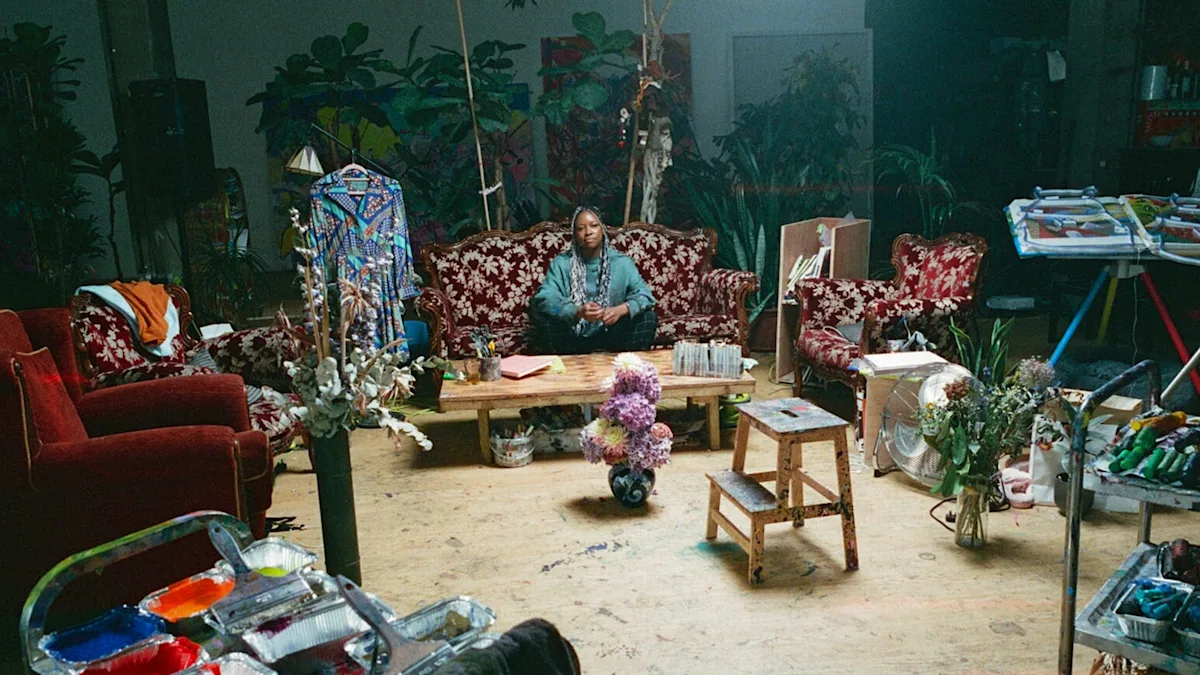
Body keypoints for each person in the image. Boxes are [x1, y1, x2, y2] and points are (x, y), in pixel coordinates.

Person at [532, 206, 658, 354]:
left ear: (602, 229)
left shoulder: (621, 262)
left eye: (593, 226)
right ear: (574, 234)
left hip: (612, 333)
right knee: (544, 320)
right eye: (581, 228)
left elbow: (645, 295)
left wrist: (620, 310)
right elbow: (545, 298)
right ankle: (567, 365)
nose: (588, 232)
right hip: (573, 336)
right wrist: (577, 311)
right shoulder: (561, 263)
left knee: (648, 317)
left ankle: (626, 364)